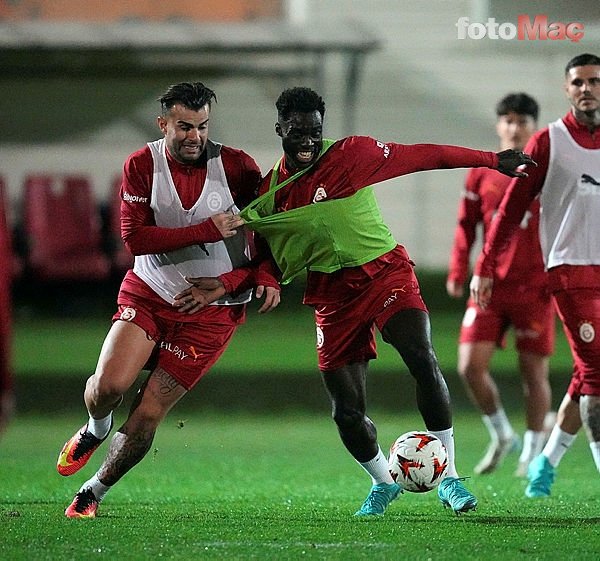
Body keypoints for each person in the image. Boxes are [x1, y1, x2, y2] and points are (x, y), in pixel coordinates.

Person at [175, 86, 535, 516]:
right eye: (296, 132)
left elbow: (424, 155)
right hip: (332, 296)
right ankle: (383, 482)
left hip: (384, 273)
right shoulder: (271, 194)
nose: (307, 140)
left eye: (314, 130)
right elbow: (271, 254)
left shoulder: (352, 154)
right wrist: (240, 282)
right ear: (280, 130)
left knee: (422, 357)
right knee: (346, 411)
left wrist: (493, 160)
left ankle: (451, 476)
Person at [56, 81, 280, 518]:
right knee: (108, 387)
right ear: (163, 124)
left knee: (146, 414)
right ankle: (95, 427)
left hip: (213, 315)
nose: (194, 136)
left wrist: (264, 275)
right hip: (152, 291)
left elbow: (271, 230)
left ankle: (93, 492)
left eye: (201, 126)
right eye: (183, 127)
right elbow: (134, 237)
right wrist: (207, 230)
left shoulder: (237, 167)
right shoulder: (142, 164)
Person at [470, 53, 600, 497]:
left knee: (588, 372)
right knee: (596, 375)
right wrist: (484, 265)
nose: (587, 88)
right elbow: (509, 212)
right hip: (569, 270)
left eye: (595, 81)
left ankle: (545, 461)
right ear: (567, 89)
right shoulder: (550, 141)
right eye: (579, 82)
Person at [447, 93, 555, 477]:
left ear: (533, 126)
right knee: (468, 366)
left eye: (521, 121)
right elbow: (466, 224)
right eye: (507, 120)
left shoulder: (549, 170)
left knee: (533, 374)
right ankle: (501, 433)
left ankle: (532, 451)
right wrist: (459, 269)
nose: (514, 127)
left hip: (535, 286)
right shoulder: (481, 171)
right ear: (498, 125)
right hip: (489, 285)